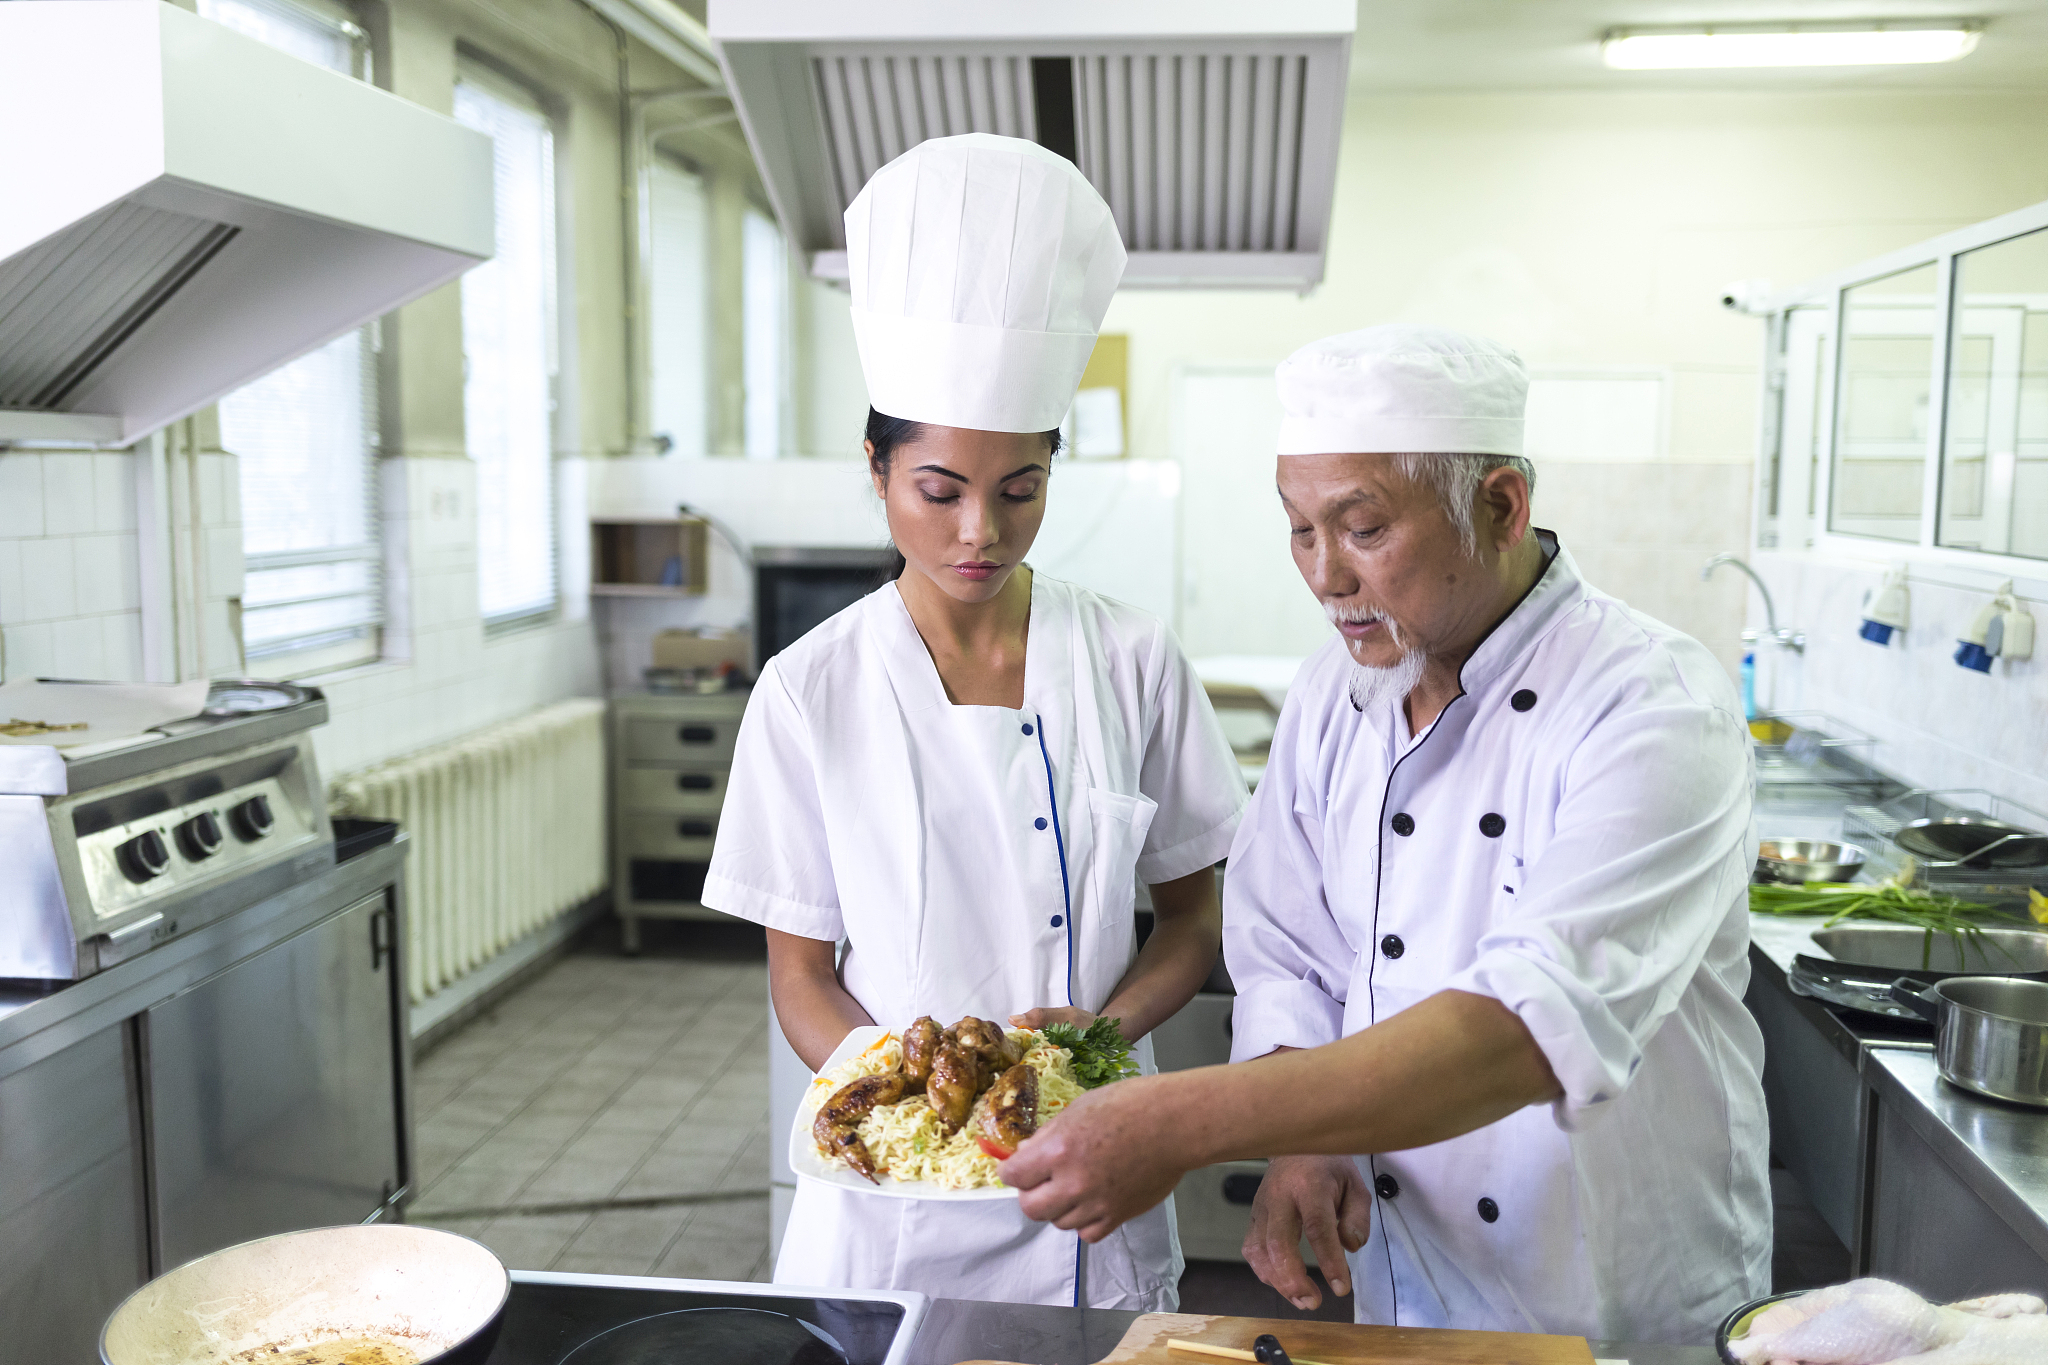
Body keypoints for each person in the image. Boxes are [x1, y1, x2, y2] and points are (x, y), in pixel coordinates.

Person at [1001, 324, 1771, 1344]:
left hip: (1605, 1297)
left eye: (1362, 529)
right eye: (1299, 530)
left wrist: (1181, 1120)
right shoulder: (1336, 689)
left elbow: (1523, 1029)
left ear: (1500, 506)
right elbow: (1289, 948)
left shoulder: (1654, 707)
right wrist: (1304, 1141)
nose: (1324, 575)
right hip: (1401, 1283)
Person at [701, 133, 1247, 1310]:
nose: (978, 535)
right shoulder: (809, 689)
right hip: (889, 1200)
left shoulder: (1130, 658)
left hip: (1095, 1174)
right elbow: (799, 976)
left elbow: (1191, 923)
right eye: (938, 491)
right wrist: (921, 1111)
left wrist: (1087, 1045)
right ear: (877, 468)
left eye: (1018, 492)